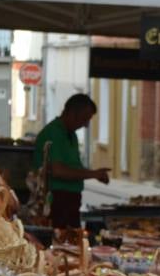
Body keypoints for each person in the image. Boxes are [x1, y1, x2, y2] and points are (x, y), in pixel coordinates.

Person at [32, 93, 109, 229]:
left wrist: (95, 173)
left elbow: (74, 167)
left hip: (70, 202)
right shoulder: (53, 133)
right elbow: (58, 170)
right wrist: (93, 174)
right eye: (84, 119)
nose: (85, 125)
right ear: (72, 113)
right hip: (57, 201)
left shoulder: (71, 134)